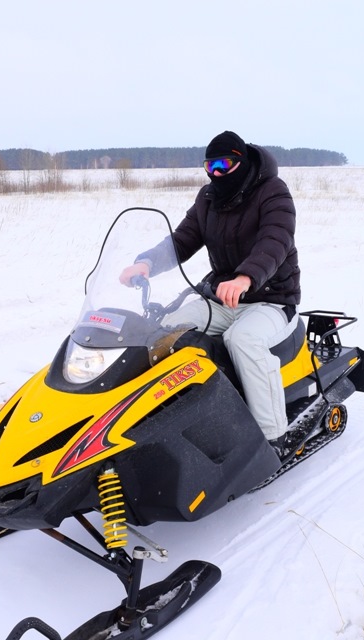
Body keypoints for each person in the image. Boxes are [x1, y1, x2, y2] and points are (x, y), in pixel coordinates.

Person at [119, 131, 304, 459]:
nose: (216, 173)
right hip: (222, 299)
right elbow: (183, 239)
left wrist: (246, 277)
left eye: (224, 164)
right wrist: (146, 263)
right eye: (210, 165)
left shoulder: (272, 192)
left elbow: (276, 240)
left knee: (242, 340)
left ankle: (274, 437)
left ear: (242, 161)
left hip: (271, 299)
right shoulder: (208, 198)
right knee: (165, 331)